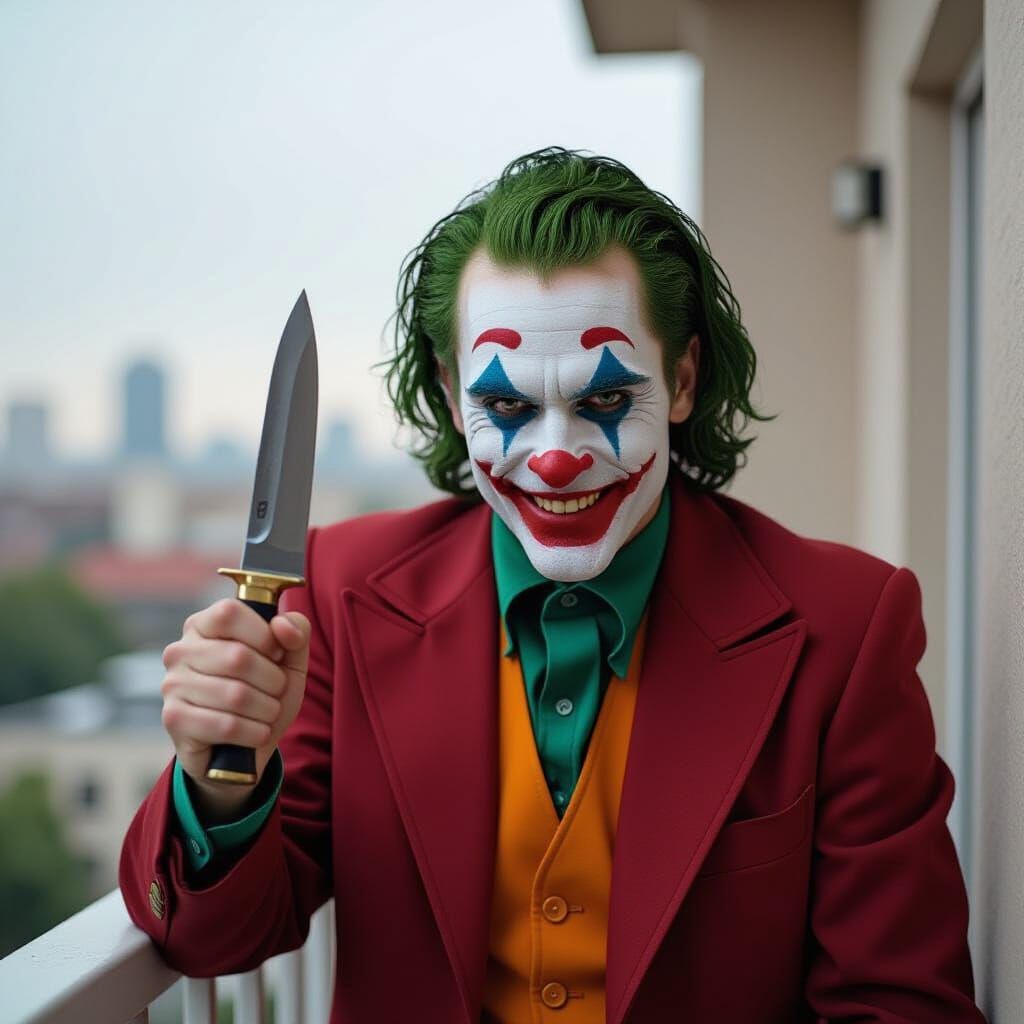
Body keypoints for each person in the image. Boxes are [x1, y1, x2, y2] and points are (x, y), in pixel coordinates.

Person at [120, 148, 985, 1022]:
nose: (555, 455)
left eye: (606, 401)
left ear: (682, 382)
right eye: (506, 408)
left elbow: (901, 1004)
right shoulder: (342, 593)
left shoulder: (846, 630)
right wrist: (221, 776)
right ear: (454, 399)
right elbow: (216, 938)